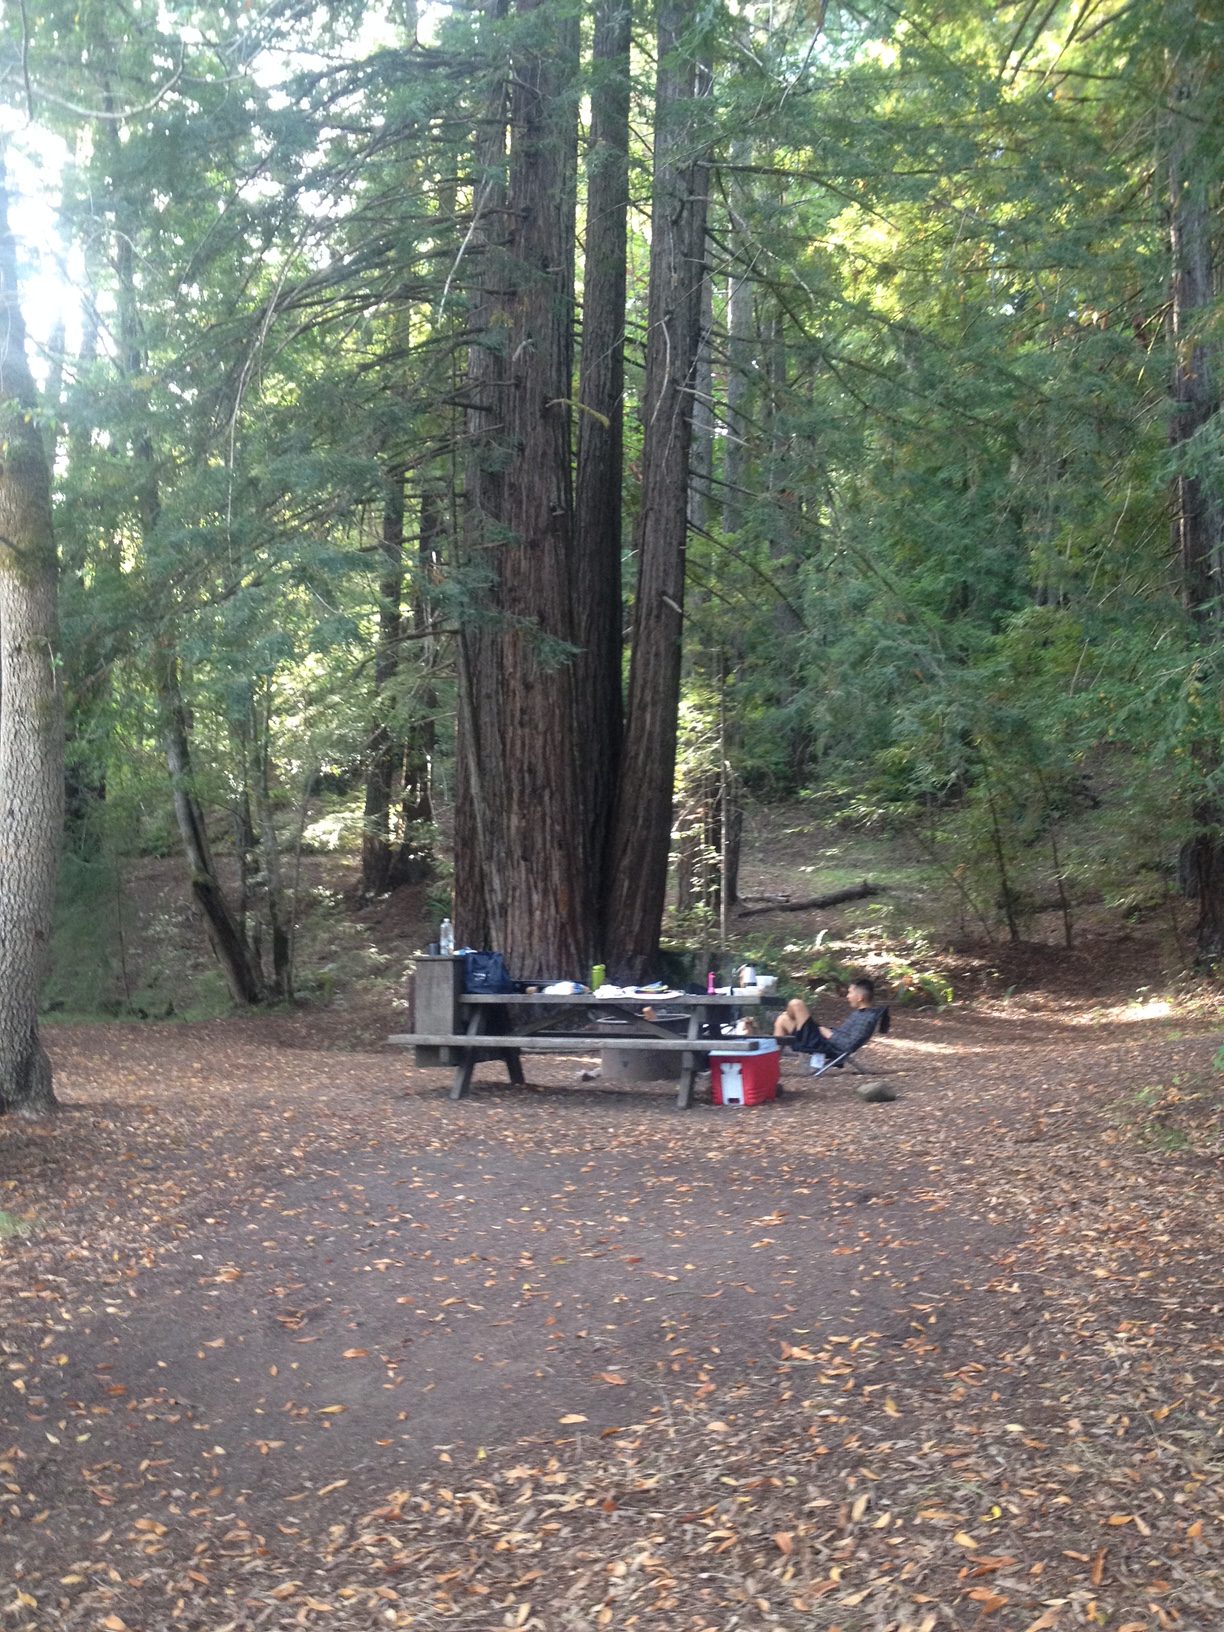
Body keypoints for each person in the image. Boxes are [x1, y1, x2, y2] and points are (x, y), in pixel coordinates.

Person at [773, 977, 882, 1065]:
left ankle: (771, 1060)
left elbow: (848, 1045)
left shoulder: (866, 1018)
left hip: (824, 1045)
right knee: (782, 1020)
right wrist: (825, 1031)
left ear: (860, 997)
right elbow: (845, 1036)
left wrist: (827, 1033)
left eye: (850, 993)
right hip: (821, 1040)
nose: (847, 996)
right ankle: (772, 1061)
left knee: (796, 1003)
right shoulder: (861, 1013)